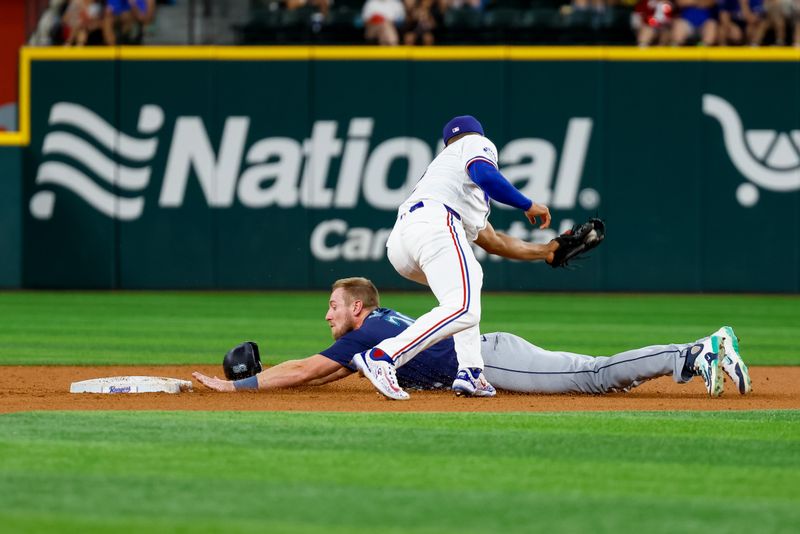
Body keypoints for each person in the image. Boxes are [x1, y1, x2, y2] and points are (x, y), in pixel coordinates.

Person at [192, 277, 753, 399]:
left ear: (358, 307)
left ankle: (697, 350)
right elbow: (327, 365)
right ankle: (691, 352)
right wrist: (278, 378)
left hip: (491, 358)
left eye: (334, 306)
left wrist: (240, 389)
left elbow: (312, 368)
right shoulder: (378, 331)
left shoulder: (366, 333)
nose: (327, 313)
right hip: (488, 351)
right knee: (593, 375)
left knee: (595, 374)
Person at [348, 115, 555, 401]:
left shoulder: (445, 176)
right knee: (465, 307)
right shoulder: (474, 143)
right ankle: (384, 355)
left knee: (467, 286)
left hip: (402, 243)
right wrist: (528, 204)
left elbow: (494, 242)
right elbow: (486, 175)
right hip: (435, 225)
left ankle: (470, 371)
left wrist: (546, 250)